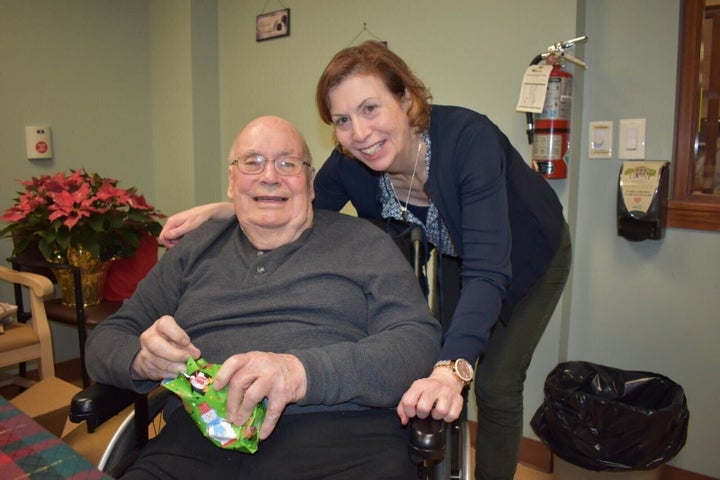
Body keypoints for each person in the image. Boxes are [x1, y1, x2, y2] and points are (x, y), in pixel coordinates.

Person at [159, 41, 572, 480]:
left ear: (407, 101)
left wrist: (455, 369)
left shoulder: (469, 140)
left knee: (493, 382)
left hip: (529, 255)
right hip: (459, 253)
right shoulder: (351, 165)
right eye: (342, 120)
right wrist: (223, 209)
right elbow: (296, 201)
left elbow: (489, 271)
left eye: (370, 108)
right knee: (444, 361)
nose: (359, 133)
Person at [85, 115, 441, 480]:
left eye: (288, 163)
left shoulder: (364, 243)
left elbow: (416, 341)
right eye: (252, 162)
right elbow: (105, 339)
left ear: (311, 182)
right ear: (230, 181)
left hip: (343, 439)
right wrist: (142, 361)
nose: (270, 176)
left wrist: (301, 373)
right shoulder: (192, 251)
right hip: (198, 441)